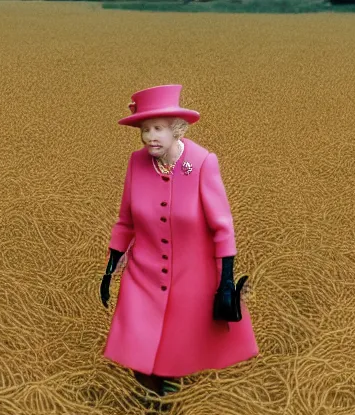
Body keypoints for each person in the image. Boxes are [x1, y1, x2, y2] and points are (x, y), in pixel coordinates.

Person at [99, 84, 257, 398]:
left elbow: (223, 228)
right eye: (144, 130)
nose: (150, 137)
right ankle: (152, 409)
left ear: (177, 129)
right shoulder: (137, 163)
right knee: (138, 347)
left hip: (191, 277)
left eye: (158, 129)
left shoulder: (199, 164)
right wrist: (110, 267)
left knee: (176, 350)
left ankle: (166, 399)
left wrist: (226, 280)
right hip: (142, 275)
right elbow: (125, 221)